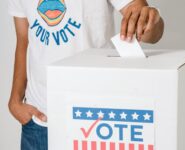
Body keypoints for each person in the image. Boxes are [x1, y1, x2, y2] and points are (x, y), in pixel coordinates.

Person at [8, 0, 164, 149]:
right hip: (39, 121)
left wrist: (151, 20)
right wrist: (15, 101)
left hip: (93, 117)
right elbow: (23, 40)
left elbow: (150, 30)